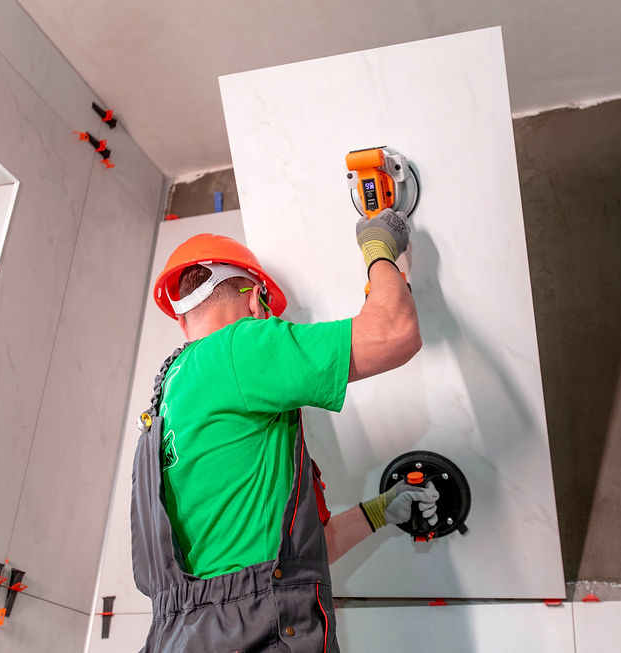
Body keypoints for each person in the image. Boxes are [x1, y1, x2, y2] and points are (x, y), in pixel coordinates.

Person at [130, 208, 439, 652]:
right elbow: (395, 333)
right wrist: (379, 248)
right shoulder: (239, 347)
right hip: (251, 634)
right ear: (256, 302)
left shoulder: (167, 400)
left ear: (182, 319)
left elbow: (291, 562)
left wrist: (382, 510)